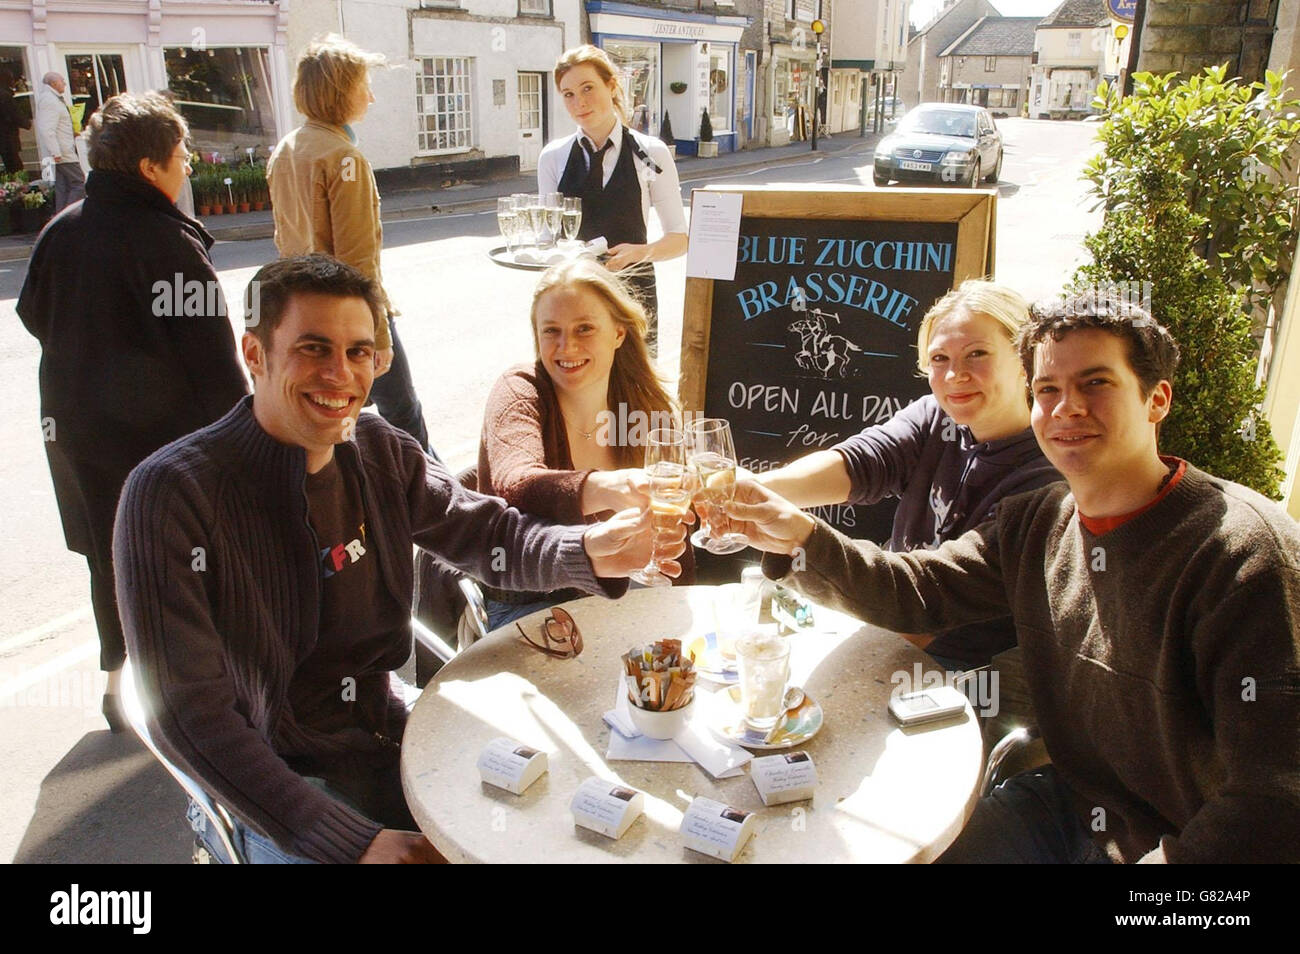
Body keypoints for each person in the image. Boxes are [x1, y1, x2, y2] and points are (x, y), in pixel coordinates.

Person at [113, 254, 683, 865]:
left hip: (387, 731)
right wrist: (354, 844)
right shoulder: (171, 495)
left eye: (360, 352)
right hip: (275, 783)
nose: (341, 375)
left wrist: (588, 548)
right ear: (255, 355)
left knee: (566, 818)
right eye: (313, 348)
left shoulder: (379, 449)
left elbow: (488, 534)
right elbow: (191, 715)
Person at [726, 292, 1300, 863]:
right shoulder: (1040, 522)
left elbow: (1273, 799)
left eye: (1095, 383)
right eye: (1048, 389)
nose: (1066, 408)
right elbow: (918, 591)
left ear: (1157, 400)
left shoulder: (1245, 555)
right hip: (1070, 805)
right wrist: (795, 536)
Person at [17, 92, 248, 731]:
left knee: (106, 552)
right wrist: (244, 441)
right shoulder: (169, 245)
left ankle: (119, 685)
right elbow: (214, 362)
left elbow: (34, 315)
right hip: (160, 441)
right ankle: (200, 689)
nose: (188, 169)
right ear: (150, 168)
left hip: (75, 431)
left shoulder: (61, 231)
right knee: (184, 556)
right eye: (181, 157)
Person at [754, 280, 1060, 670]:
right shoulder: (934, 415)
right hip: (891, 622)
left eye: (977, 354)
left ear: (1025, 361)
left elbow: (931, 602)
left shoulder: (1046, 476)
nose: (954, 375)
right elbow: (860, 463)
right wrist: (750, 490)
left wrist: (799, 538)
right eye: (939, 359)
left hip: (968, 677)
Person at [476, 258, 692, 630]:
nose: (567, 346)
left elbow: (676, 531)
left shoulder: (646, 408)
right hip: (534, 600)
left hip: (630, 588)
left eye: (585, 328)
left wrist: (678, 607)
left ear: (619, 334)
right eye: (551, 331)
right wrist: (615, 487)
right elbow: (515, 482)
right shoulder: (519, 389)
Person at [267, 35, 432, 454]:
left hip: (305, 312)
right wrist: (378, 335)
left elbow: (284, 239)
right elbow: (358, 262)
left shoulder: (286, 150)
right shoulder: (345, 158)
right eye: (363, 85)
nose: (371, 97)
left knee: (332, 414)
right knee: (404, 416)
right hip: (350, 313)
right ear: (341, 91)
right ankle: (434, 505)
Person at [538, 45, 687, 356]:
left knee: (630, 403)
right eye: (568, 94)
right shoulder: (553, 157)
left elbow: (680, 238)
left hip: (631, 300)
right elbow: (547, 240)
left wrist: (644, 252)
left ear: (611, 85)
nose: (579, 102)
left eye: (588, 88)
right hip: (572, 305)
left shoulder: (651, 153)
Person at [35, 72, 85, 212]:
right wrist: (55, 152)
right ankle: (68, 216)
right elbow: (47, 129)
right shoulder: (50, 100)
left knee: (63, 187)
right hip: (63, 152)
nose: (65, 83)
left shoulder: (52, 99)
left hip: (61, 150)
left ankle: (59, 220)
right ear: (53, 84)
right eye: (62, 80)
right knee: (79, 183)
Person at [0, 70, 30, 175]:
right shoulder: (5, 95)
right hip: (7, 136)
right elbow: (14, 114)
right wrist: (26, 123)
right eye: (12, 79)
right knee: (14, 165)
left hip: (5, 136)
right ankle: (18, 185)